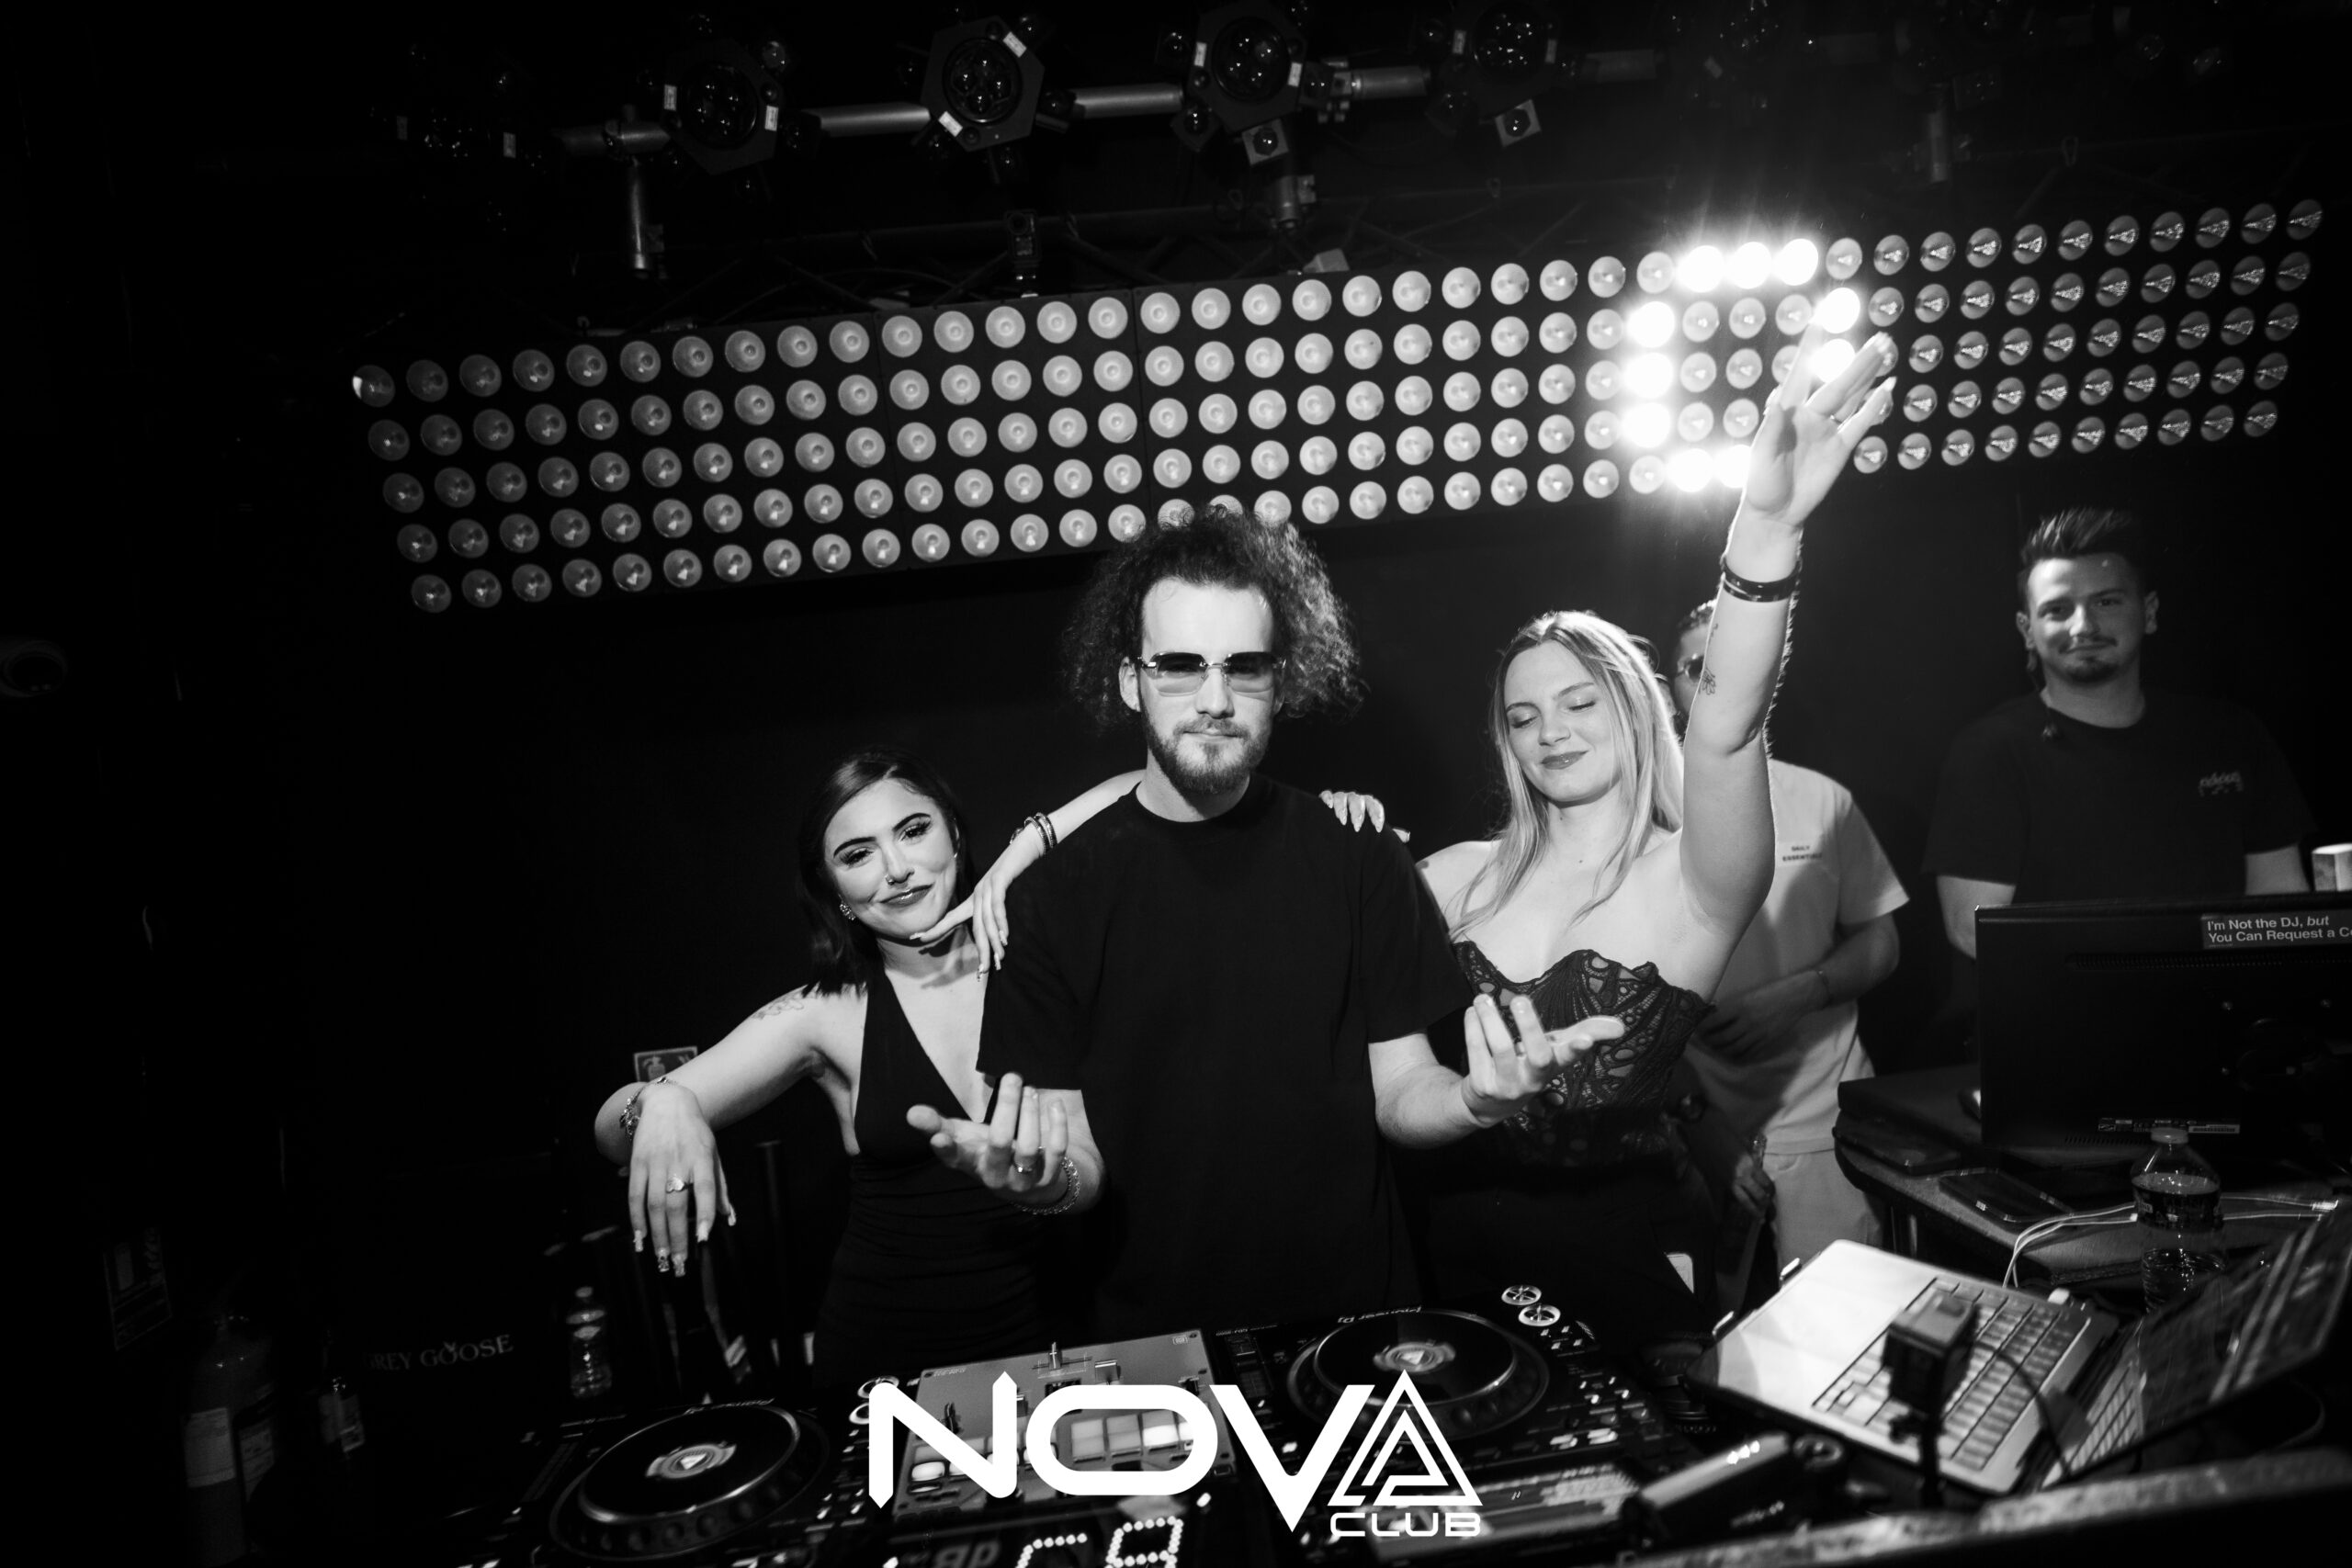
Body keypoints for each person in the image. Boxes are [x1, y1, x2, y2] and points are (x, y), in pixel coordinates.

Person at [926, 502, 1624, 1341]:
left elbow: (1402, 1088)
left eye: (1245, 668)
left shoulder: (1360, 855)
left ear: (1282, 682)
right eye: (1179, 666)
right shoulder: (1047, 899)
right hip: (1151, 1343)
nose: (1215, 699)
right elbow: (1075, 1157)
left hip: (1357, 1328)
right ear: (1129, 680)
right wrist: (1045, 1184)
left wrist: (1477, 1100)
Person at [589, 749, 1394, 1388]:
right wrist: (661, 1103)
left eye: (913, 830)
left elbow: (1141, 787)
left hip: (1072, 1337)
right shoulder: (823, 1013)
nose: (896, 868)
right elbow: (608, 1129)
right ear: (834, 892)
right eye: (858, 854)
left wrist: (1305, 813)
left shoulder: (1048, 957)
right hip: (891, 1355)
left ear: (954, 835)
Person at [1409, 328, 1898, 1345]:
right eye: (1524, 716)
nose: (1551, 731)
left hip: (1620, 1258)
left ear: (1635, 709)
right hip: (1443, 1253)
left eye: (1579, 702)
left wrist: (1765, 531)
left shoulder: (1693, 882)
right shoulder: (1452, 878)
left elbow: (1729, 725)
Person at [1924, 507, 2312, 982]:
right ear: (2027, 630)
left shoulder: (2231, 736)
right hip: (2070, 1018)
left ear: (2149, 612)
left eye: (2106, 602)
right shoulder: (1990, 753)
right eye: (2057, 609)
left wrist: (2206, 982)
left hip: (2222, 1009)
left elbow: (2280, 904)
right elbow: (1972, 929)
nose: (2082, 626)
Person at [1666, 600, 1906, 1309]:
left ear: (1768, 674)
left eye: (1735, 663)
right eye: (1697, 667)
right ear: (1671, 686)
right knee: (1701, 1347)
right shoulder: (1641, 817)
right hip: (1688, 1130)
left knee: (1842, 1338)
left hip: (1822, 1126)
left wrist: (1803, 991)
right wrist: (1696, 1119)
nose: (1717, 681)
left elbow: (1882, 939)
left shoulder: (1824, 801)